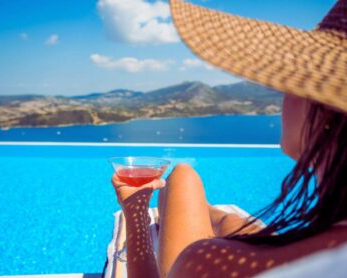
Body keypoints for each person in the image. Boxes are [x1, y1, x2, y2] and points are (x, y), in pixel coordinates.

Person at [111, 0, 347, 277]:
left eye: (296, 81)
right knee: (202, 194)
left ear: (327, 111)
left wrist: (136, 212)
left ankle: (209, 214)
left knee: (182, 177)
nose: (285, 93)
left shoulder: (206, 263)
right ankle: (212, 214)